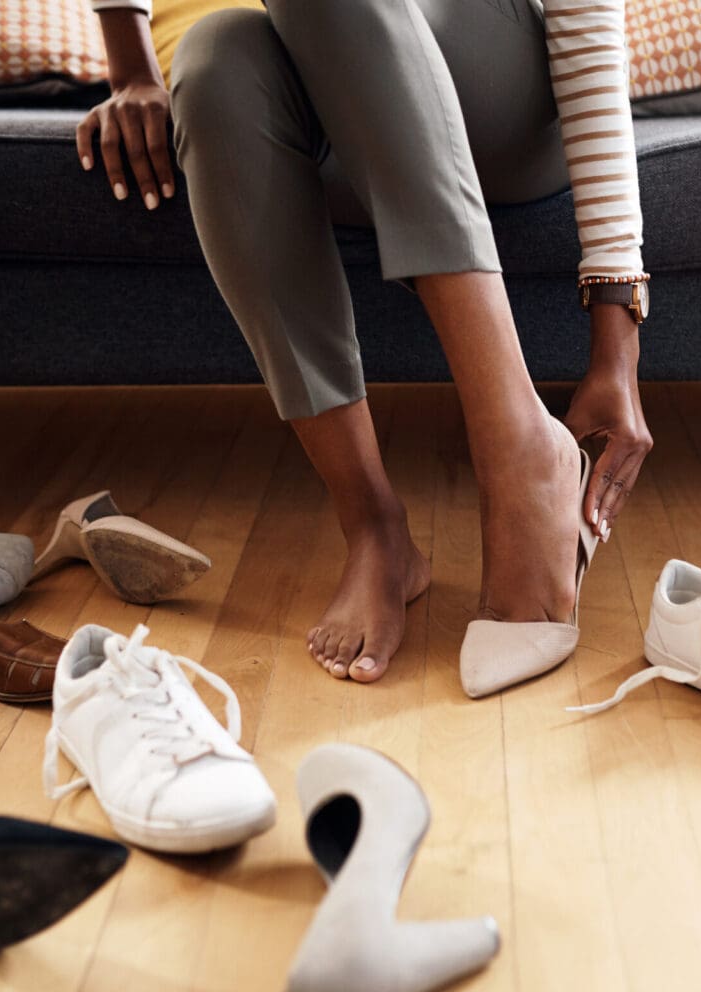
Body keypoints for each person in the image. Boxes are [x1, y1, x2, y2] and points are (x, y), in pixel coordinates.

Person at [78, 0, 652, 690]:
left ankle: (519, 447)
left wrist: (616, 336)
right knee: (214, 56)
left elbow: (587, 22)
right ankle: (373, 525)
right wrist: (131, 65)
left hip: (505, 99)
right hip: (337, 111)